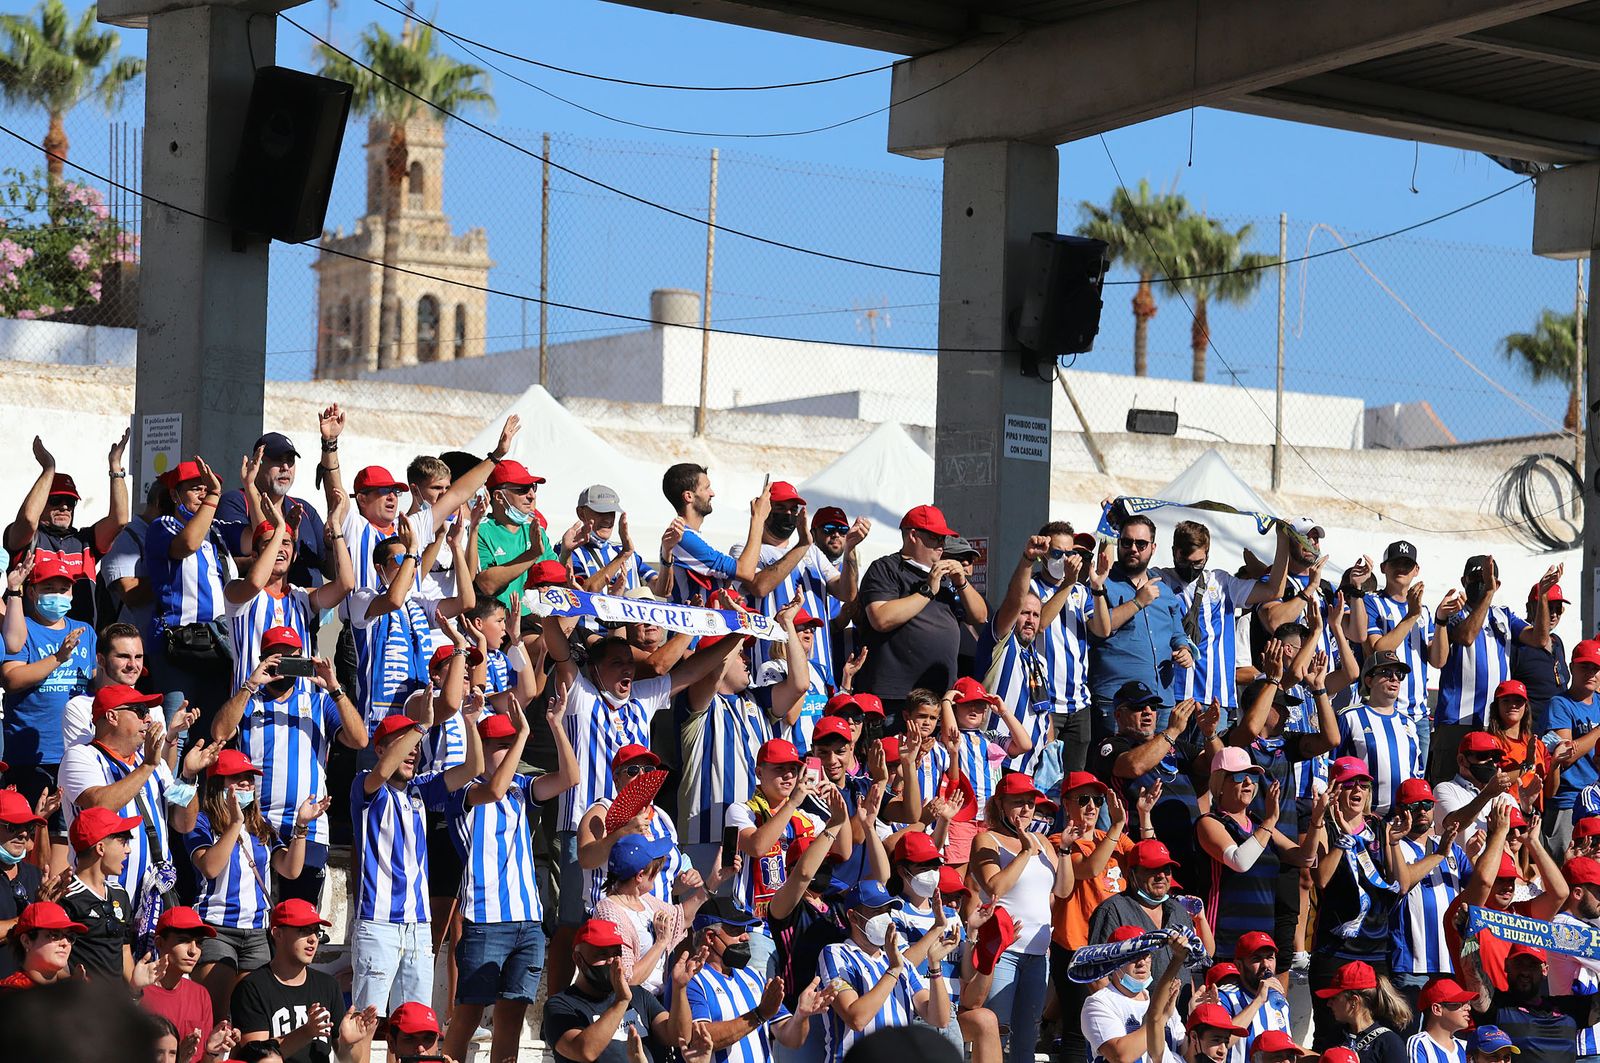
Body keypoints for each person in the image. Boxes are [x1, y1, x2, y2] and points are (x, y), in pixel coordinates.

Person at [541, 607, 746, 994]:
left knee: (636, 919)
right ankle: (559, 1005)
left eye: (630, 663)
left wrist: (735, 637)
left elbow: (691, 671)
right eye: (617, 663)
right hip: (585, 827)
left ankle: (639, 995)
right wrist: (553, 609)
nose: (628, 670)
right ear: (595, 669)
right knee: (573, 922)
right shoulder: (581, 694)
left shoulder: (643, 697)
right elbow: (561, 654)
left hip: (639, 827)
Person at [439, 695, 577, 1063]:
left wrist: (556, 725)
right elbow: (494, 789)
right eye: (501, 745)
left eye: (511, 743)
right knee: (468, 1014)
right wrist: (523, 734)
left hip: (528, 921)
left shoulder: (521, 787)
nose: (510, 751)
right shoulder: (464, 790)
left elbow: (570, 777)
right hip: (484, 920)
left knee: (511, 1019)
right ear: (480, 748)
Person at [210, 631, 366, 906]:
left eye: (293, 658)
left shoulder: (319, 702)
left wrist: (335, 688)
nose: (285, 666)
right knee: (255, 912)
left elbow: (359, 740)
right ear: (264, 660)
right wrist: (249, 685)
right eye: (278, 659)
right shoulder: (249, 702)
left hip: (309, 828)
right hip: (256, 826)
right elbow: (219, 733)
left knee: (299, 917)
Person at [349, 706, 482, 1013]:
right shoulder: (365, 784)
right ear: (380, 750)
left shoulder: (422, 789)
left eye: (417, 745)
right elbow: (382, 772)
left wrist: (470, 722)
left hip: (419, 927)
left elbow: (473, 768)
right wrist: (421, 726)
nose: (413, 750)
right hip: (378, 924)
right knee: (367, 1022)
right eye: (404, 742)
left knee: (415, 1023)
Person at [187, 749, 328, 1019]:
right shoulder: (201, 821)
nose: (245, 784)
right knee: (216, 1016)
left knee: (251, 1017)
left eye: (249, 778)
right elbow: (210, 867)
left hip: (257, 934)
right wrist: (234, 824)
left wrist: (301, 827)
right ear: (217, 784)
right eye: (236, 778)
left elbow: (290, 870)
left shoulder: (260, 825)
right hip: (217, 929)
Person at [59, 684, 212, 912]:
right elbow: (100, 806)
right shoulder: (82, 756)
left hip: (154, 899)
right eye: (140, 711)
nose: (148, 719)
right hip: (102, 899)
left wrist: (188, 778)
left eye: (148, 712)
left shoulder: (153, 761)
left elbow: (183, 824)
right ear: (112, 716)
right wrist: (147, 765)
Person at [969, 772, 1073, 1063]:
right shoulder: (986, 839)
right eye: (1018, 802)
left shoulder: (1042, 841)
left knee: (1027, 1041)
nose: (1026, 809)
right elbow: (995, 886)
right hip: (1002, 952)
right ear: (1000, 804)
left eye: (1031, 802)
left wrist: (1064, 850)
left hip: (1038, 954)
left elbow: (1063, 890)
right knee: (996, 1036)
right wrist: (1025, 852)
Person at [667, 895, 839, 1061]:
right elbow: (699, 1037)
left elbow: (791, 1039)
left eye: (745, 930)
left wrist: (801, 1015)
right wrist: (758, 1015)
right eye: (736, 930)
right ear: (711, 937)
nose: (746, 936)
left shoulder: (753, 975)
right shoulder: (690, 980)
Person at [1431, 558, 1555, 783]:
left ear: (1498, 584)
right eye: (1475, 579)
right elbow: (1467, 636)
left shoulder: (1504, 615)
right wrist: (1488, 592)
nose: (1480, 584)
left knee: (1491, 789)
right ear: (1463, 581)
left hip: (1494, 724)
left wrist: (1544, 596)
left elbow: (1539, 639)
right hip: (1456, 721)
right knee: (1449, 787)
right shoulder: (1453, 613)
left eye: (1486, 580)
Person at [221, 481, 352, 694]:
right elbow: (255, 582)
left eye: (286, 543)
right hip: (252, 706)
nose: (280, 549)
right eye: (270, 543)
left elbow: (345, 584)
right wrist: (281, 528)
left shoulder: (302, 597)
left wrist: (336, 527)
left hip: (299, 709)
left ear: (294, 555)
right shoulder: (238, 591)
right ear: (255, 555)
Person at [1310, 759, 1404, 1049]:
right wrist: (1343, 841)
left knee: (1379, 1036)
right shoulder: (1324, 824)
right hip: (1336, 949)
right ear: (1335, 790)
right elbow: (1321, 879)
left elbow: (1400, 884)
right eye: (1349, 784)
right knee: (1331, 1037)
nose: (1357, 790)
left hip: (1375, 948)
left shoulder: (1378, 826)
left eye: (1363, 784)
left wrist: (1394, 844)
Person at [1158, 520, 1288, 730]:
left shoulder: (1221, 582)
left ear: (1207, 555)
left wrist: (1283, 540)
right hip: (1170, 696)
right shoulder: (1159, 578)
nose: (1191, 568)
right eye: (1184, 561)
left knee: (1216, 753)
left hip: (1215, 699)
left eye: (1198, 562)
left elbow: (1274, 590)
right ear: (1174, 552)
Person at [1049, 771, 1142, 1063]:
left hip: (1117, 949)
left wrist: (1144, 816)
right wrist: (1116, 825)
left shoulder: (1112, 838)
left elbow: (1145, 859)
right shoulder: (1059, 842)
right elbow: (1088, 869)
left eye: (1098, 800)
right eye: (1083, 799)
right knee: (1079, 1031)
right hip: (1078, 948)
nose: (1092, 806)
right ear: (1066, 805)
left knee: (1119, 1029)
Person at [858, 505, 985, 716]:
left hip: (940, 698)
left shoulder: (946, 577)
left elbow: (980, 616)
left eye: (944, 539)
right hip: (898, 698)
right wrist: (927, 591)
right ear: (913, 535)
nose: (941, 544)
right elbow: (881, 618)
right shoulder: (886, 568)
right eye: (935, 537)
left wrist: (962, 583)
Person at [1198, 747, 1322, 959]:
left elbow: (1305, 858)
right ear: (1219, 784)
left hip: (1261, 942)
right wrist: (1271, 820)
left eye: (1253, 776)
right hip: (1225, 940)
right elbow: (1240, 861)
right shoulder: (1210, 822)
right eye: (1239, 776)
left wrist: (1316, 821)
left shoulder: (1260, 825)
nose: (1248, 782)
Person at [142, 458, 238, 723]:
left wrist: (251, 485)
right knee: (177, 729)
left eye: (208, 488)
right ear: (175, 495)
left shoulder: (217, 531)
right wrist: (215, 496)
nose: (204, 493)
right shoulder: (164, 524)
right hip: (177, 643)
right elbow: (188, 544)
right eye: (196, 488)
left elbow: (256, 539)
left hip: (218, 642)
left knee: (212, 728)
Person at [980, 535, 1083, 779]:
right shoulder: (1001, 645)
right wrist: (1028, 560)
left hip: (1030, 768)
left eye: (1036, 615)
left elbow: (1043, 709)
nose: (1030, 620)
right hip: (998, 760)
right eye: (1024, 613)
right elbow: (1014, 600)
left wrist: (1049, 749)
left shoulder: (1038, 659)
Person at [1, 558, 97, 818]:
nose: (58, 595)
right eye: (49, 589)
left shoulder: (85, 631)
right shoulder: (21, 629)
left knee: (73, 833)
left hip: (77, 752)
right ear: (32, 592)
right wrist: (58, 658)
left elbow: (95, 681)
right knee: (34, 833)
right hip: (31, 756)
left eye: (64, 589)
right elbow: (11, 680)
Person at [817, 880, 953, 1063]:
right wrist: (893, 970)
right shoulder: (836, 953)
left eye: (887, 911)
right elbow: (856, 1019)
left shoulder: (902, 963)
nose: (885, 919)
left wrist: (934, 966)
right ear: (853, 916)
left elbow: (939, 1019)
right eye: (876, 912)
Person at [3, 432, 130, 625]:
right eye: (56, 500)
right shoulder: (29, 537)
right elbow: (29, 519)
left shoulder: (86, 541)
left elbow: (120, 520)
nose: (64, 507)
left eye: (70, 502)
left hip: (82, 639)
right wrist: (48, 469)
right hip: (30, 639)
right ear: (42, 502)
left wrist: (115, 466)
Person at [230, 899, 376, 1063]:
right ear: (277, 933)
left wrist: (348, 1044)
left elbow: (347, 1060)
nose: (313, 939)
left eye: (316, 932)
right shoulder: (252, 987)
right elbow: (257, 1057)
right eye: (304, 931)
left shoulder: (328, 985)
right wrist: (306, 1032)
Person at [1085, 516, 1187, 736]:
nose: (1133, 548)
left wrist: (1184, 650)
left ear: (1153, 547)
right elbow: (1098, 628)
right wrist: (1138, 602)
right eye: (1126, 542)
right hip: (1117, 702)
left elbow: (1177, 634)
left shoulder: (1164, 589)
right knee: (1116, 758)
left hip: (1160, 702)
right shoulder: (1102, 582)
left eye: (1140, 544)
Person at [1350, 541, 1450, 766]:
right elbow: (1378, 650)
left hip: (1418, 716)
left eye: (1407, 564)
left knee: (1416, 783)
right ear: (1383, 567)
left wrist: (1441, 620)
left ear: (1416, 570)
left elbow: (1439, 660)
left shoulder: (1424, 611)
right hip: (1381, 711)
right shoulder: (1372, 602)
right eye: (1396, 563)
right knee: (1381, 775)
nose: (1401, 569)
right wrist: (1411, 616)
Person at [214, 424, 339, 591]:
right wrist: (283, 542)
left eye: (290, 460)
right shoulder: (236, 501)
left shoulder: (305, 509)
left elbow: (332, 572)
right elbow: (226, 563)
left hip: (306, 606)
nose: (285, 467)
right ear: (257, 463)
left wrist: (330, 544)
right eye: (277, 460)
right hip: (258, 604)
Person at [542, 917, 673, 1063]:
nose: (612, 961)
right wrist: (621, 1001)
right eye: (602, 954)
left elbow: (676, 1035)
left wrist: (680, 988)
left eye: (616, 954)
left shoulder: (639, 995)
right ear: (579, 959)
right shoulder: (560, 1005)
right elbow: (585, 1051)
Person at [1023, 524, 1096, 775]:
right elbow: (1040, 624)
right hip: (1046, 701)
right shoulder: (1032, 587)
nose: (1064, 560)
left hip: (1079, 702)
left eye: (1069, 553)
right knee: (1045, 777)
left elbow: (1103, 629)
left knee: (1076, 779)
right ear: (1043, 554)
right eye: (1057, 553)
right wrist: (1067, 584)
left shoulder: (1081, 591)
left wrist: (1098, 587)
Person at [1386, 779, 1470, 997]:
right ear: (1400, 810)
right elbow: (1402, 883)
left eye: (1427, 804)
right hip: (1412, 965)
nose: (1422, 810)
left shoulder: (1453, 848)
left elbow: (1479, 888)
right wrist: (1439, 854)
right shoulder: (1393, 845)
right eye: (1414, 805)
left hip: (1452, 962)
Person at [593, 834, 703, 994]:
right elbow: (627, 979)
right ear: (640, 876)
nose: (659, 872)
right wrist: (661, 943)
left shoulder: (643, 899)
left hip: (654, 998)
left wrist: (713, 881)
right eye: (656, 869)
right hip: (632, 1001)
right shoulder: (609, 913)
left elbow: (682, 917)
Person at [1084, 839, 1206, 976]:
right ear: (1132, 874)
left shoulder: (1179, 910)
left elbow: (1188, 968)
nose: (1161, 876)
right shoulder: (1112, 911)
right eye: (1152, 869)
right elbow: (1095, 975)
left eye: (1166, 870)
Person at [657, 462, 763, 606]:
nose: (712, 493)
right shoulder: (683, 538)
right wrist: (758, 518)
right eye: (707, 488)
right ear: (689, 496)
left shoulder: (689, 537)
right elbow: (745, 571)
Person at [1335, 650, 1425, 815]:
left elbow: (1417, 772)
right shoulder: (1350, 717)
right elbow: (1333, 766)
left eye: (1399, 674)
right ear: (1369, 680)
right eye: (1386, 672)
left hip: (1403, 818)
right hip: (1363, 817)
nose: (1394, 678)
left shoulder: (1409, 723)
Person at [61, 805, 141, 982]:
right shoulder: (66, 896)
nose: (128, 850)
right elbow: (52, 956)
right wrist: (71, 983)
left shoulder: (120, 894)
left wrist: (136, 990)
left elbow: (124, 950)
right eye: (122, 842)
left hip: (116, 998)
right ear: (100, 848)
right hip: (79, 997)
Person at [1544, 640, 1600, 857]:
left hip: (1597, 798)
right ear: (1571, 667)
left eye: (1596, 668)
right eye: (1585, 666)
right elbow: (1565, 756)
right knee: (1567, 867)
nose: (1591, 673)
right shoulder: (1560, 703)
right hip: (1569, 801)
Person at [141, 905, 218, 1061]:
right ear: (159, 943)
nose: (193, 951)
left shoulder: (201, 995)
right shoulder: (137, 994)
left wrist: (212, 1052)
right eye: (184, 941)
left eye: (199, 943)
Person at [1543, 856, 1600, 1062]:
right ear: (1577, 893)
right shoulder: (1565, 928)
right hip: (1584, 1044)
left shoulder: (1579, 925)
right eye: (1598, 893)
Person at [60, 621, 146, 750]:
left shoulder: (153, 708)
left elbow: (162, 762)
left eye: (138, 657)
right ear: (101, 660)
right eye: (123, 656)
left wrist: (170, 740)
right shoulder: (79, 708)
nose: (133, 665)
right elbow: (82, 759)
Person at [1214, 932, 1293, 1063]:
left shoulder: (1280, 1001)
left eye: (1270, 958)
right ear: (1239, 965)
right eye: (1257, 959)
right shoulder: (1225, 997)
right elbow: (1218, 1045)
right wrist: (1258, 1001)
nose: (1266, 965)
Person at [1487, 679, 1563, 815]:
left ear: (1526, 707)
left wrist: (1555, 763)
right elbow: (1490, 785)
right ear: (1496, 706)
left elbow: (1550, 792)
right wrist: (1527, 766)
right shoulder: (1490, 742)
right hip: (1505, 815)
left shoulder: (1537, 744)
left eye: (1518, 701)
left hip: (1534, 818)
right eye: (1506, 701)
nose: (1513, 705)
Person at [1316, 960, 1411, 1063]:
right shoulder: (1335, 1036)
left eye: (1334, 998)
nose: (1328, 1004)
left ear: (1354, 1001)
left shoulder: (1388, 1042)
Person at [0, 788, 50, 978]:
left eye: (28, 827)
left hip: (28, 992)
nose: (23, 834)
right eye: (12, 826)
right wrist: (33, 916)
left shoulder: (33, 874)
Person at [1513, 581, 1571, 731]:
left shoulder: (1557, 642)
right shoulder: (1518, 645)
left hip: (1559, 730)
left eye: (1558, 609)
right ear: (1530, 608)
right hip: (1529, 732)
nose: (1553, 614)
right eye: (1547, 607)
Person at [0, 900, 86, 989]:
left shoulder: (80, 986)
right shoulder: (10, 992)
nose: (65, 943)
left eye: (70, 937)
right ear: (26, 941)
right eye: (54, 935)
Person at [1405, 977, 1473, 1063]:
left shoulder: (1465, 1046)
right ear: (1437, 1009)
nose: (1468, 1008)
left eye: (1467, 1003)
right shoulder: (1420, 1043)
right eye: (1460, 1003)